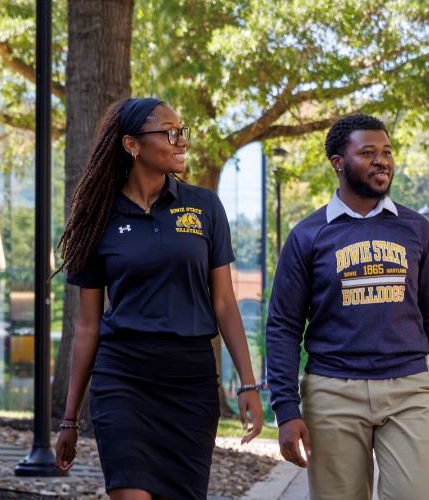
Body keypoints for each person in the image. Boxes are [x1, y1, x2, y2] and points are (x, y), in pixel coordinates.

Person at [52, 97, 264, 500]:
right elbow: (87, 325)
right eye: (170, 133)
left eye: (182, 132)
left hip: (190, 382)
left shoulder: (204, 207)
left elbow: (224, 304)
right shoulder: (99, 216)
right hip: (124, 379)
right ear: (132, 145)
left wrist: (248, 384)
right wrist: (69, 419)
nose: (181, 141)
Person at [265, 113, 429, 500]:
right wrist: (286, 410)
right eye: (368, 152)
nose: (382, 160)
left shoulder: (415, 229)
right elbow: (283, 327)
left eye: (387, 152)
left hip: (408, 389)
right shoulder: (308, 235)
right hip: (332, 393)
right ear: (338, 163)